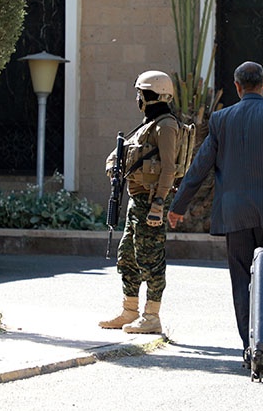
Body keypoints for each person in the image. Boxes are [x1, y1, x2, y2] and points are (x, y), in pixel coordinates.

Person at [167, 61, 263, 362]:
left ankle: (251, 347)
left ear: (237, 86)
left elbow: (199, 166)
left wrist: (178, 206)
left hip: (234, 216)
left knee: (242, 280)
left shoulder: (220, 119)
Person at [99, 70, 179, 334]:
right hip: (137, 201)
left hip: (150, 202)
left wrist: (158, 205)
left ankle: (152, 316)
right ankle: (129, 311)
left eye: (140, 93)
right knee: (128, 257)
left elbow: (168, 169)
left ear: (152, 95)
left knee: (151, 259)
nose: (138, 98)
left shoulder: (165, 126)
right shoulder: (147, 125)